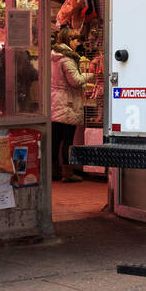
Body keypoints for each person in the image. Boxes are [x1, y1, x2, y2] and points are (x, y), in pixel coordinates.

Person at [50, 27, 92, 181]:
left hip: (55, 101)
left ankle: (53, 172)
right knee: (67, 139)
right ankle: (67, 173)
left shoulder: (53, 56)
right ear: (68, 40)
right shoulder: (67, 59)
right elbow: (75, 81)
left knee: (55, 139)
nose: (78, 43)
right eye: (75, 40)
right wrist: (90, 74)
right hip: (67, 103)